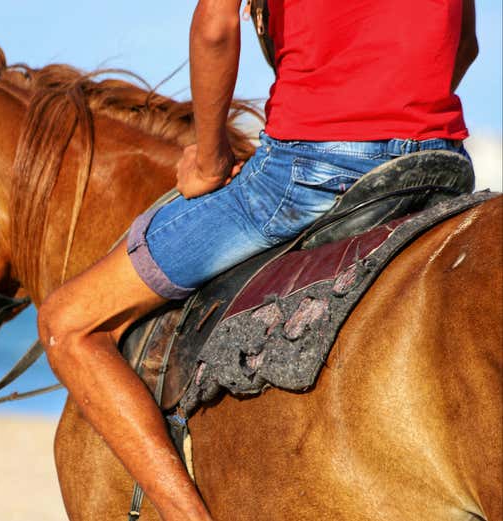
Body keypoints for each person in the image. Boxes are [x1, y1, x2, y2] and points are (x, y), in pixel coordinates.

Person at [37, 0, 478, 519]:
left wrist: (208, 159)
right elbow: (465, 44)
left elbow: (215, 26)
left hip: (312, 168)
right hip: (440, 160)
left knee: (67, 325)